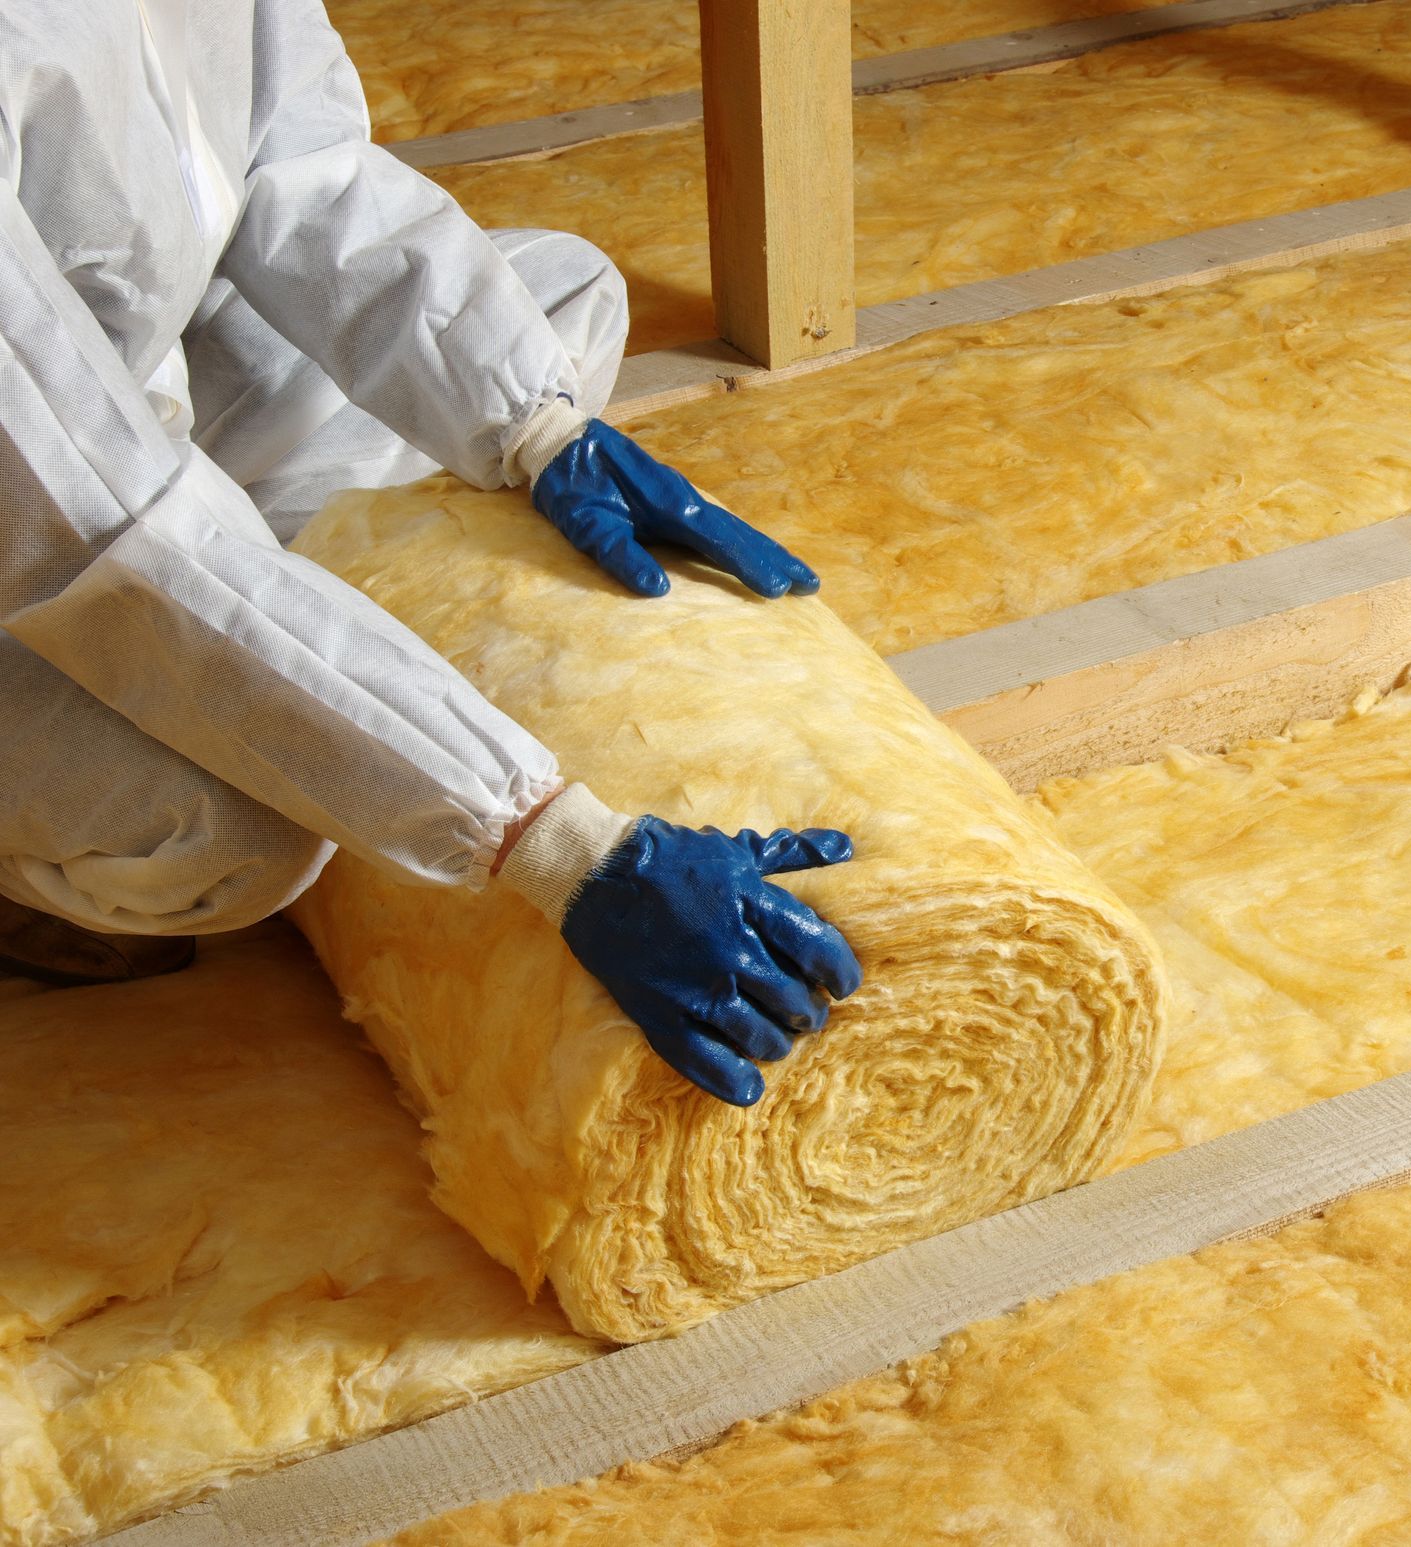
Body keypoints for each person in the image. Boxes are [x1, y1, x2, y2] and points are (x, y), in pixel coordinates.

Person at [0, 0, 861, 1106]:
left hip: (116, 393)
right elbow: (115, 536)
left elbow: (305, 175)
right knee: (236, 837)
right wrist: (556, 846)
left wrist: (538, 428)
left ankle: (280, 642)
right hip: (48, 521)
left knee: (558, 302)